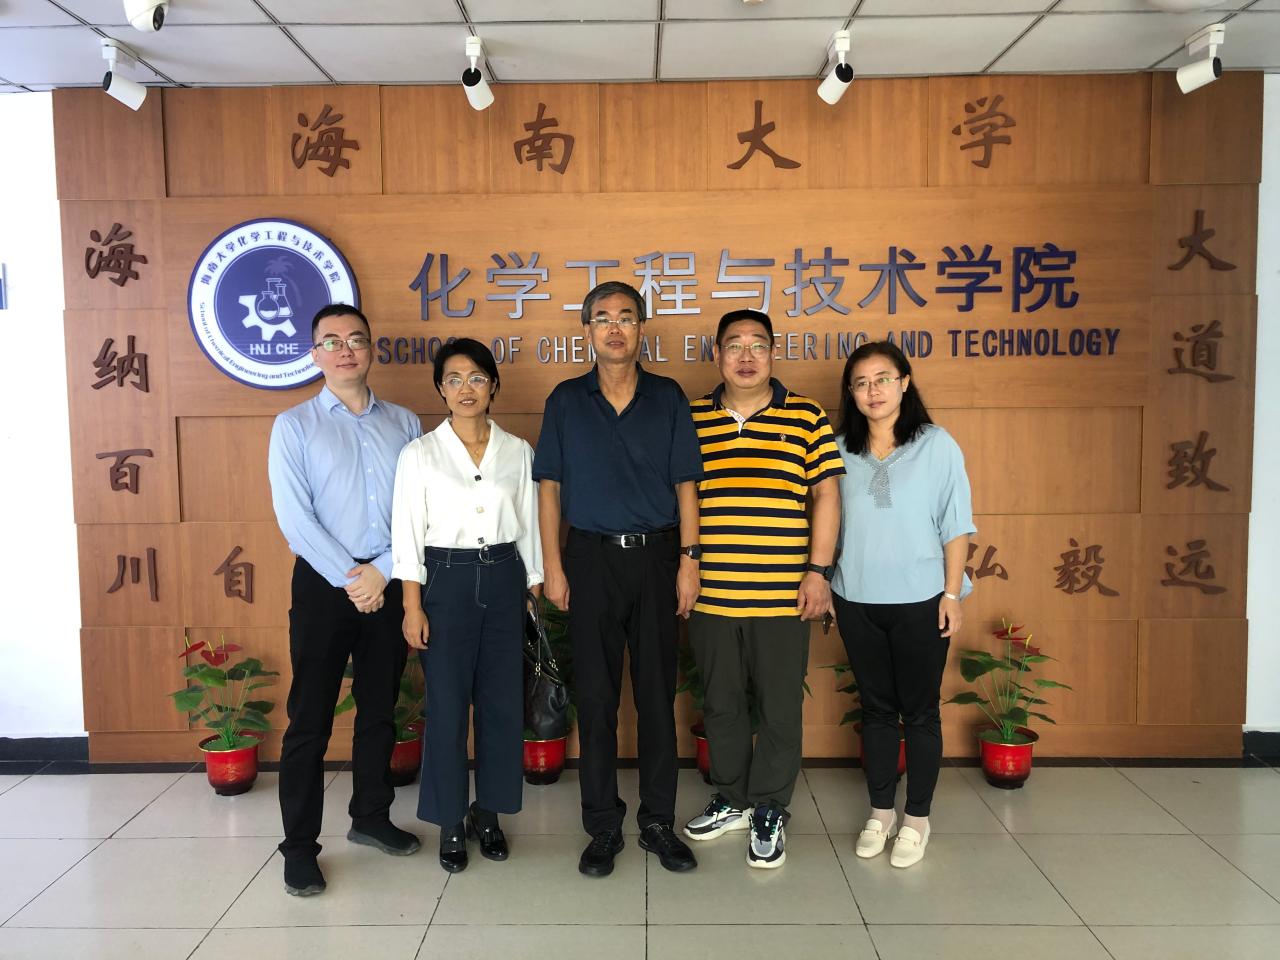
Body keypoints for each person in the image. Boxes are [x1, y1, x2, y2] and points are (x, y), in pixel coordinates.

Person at [533, 280, 703, 878]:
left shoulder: (667, 396)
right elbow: (549, 487)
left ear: (641, 328)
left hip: (657, 559)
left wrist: (690, 559)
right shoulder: (565, 400)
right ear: (587, 331)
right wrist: (553, 565)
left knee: (656, 698)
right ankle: (602, 824)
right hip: (589, 561)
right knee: (597, 699)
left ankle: (658, 821)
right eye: (602, 317)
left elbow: (687, 484)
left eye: (626, 317)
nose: (614, 327)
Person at [268, 304, 423, 897]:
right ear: (315, 354)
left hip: (389, 580)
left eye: (356, 339)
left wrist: (381, 571)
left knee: (380, 709)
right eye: (331, 341)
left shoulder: (404, 423)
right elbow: (294, 518)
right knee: (309, 720)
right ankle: (299, 848)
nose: (345, 350)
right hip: (323, 586)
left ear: (371, 349)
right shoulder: (294, 425)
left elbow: (418, 510)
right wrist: (352, 578)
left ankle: (371, 817)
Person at [683, 309, 844, 869]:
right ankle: (731, 798)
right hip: (712, 593)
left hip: (783, 593)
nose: (746, 356)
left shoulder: (806, 416)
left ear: (774, 353)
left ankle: (770, 806)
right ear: (717, 354)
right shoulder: (691, 417)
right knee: (721, 702)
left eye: (758, 345)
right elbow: (680, 496)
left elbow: (827, 495)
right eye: (734, 345)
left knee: (779, 706)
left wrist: (818, 571)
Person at [391, 338, 542, 874]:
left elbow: (530, 525)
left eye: (476, 377)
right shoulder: (419, 454)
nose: (466, 389)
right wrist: (412, 606)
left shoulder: (517, 451)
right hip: (445, 583)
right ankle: (450, 819)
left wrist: (532, 590)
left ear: (493, 385)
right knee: (448, 707)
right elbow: (407, 534)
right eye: (453, 379)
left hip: (504, 578)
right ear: (441, 389)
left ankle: (489, 813)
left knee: (501, 705)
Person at [830, 340, 975, 869]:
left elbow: (956, 523)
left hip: (922, 599)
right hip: (855, 597)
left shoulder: (935, 445)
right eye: (861, 383)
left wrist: (952, 594)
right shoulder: (838, 448)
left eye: (883, 379)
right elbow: (827, 522)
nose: (873, 391)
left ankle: (917, 818)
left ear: (905, 382)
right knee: (874, 710)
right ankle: (881, 812)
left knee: (919, 712)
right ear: (851, 392)